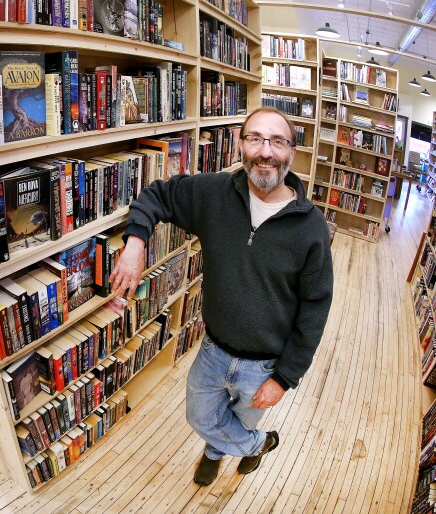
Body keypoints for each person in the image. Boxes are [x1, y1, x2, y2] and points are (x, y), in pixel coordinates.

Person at [109, 107, 334, 485]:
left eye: (278, 141)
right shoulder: (214, 193)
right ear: (240, 145)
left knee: (239, 420)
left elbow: (315, 308)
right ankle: (258, 445)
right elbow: (157, 195)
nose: (266, 151)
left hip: (265, 365)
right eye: (255, 138)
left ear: (292, 153)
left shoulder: (310, 227)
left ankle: (215, 452)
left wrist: (284, 378)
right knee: (201, 417)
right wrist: (135, 244)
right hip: (213, 350)